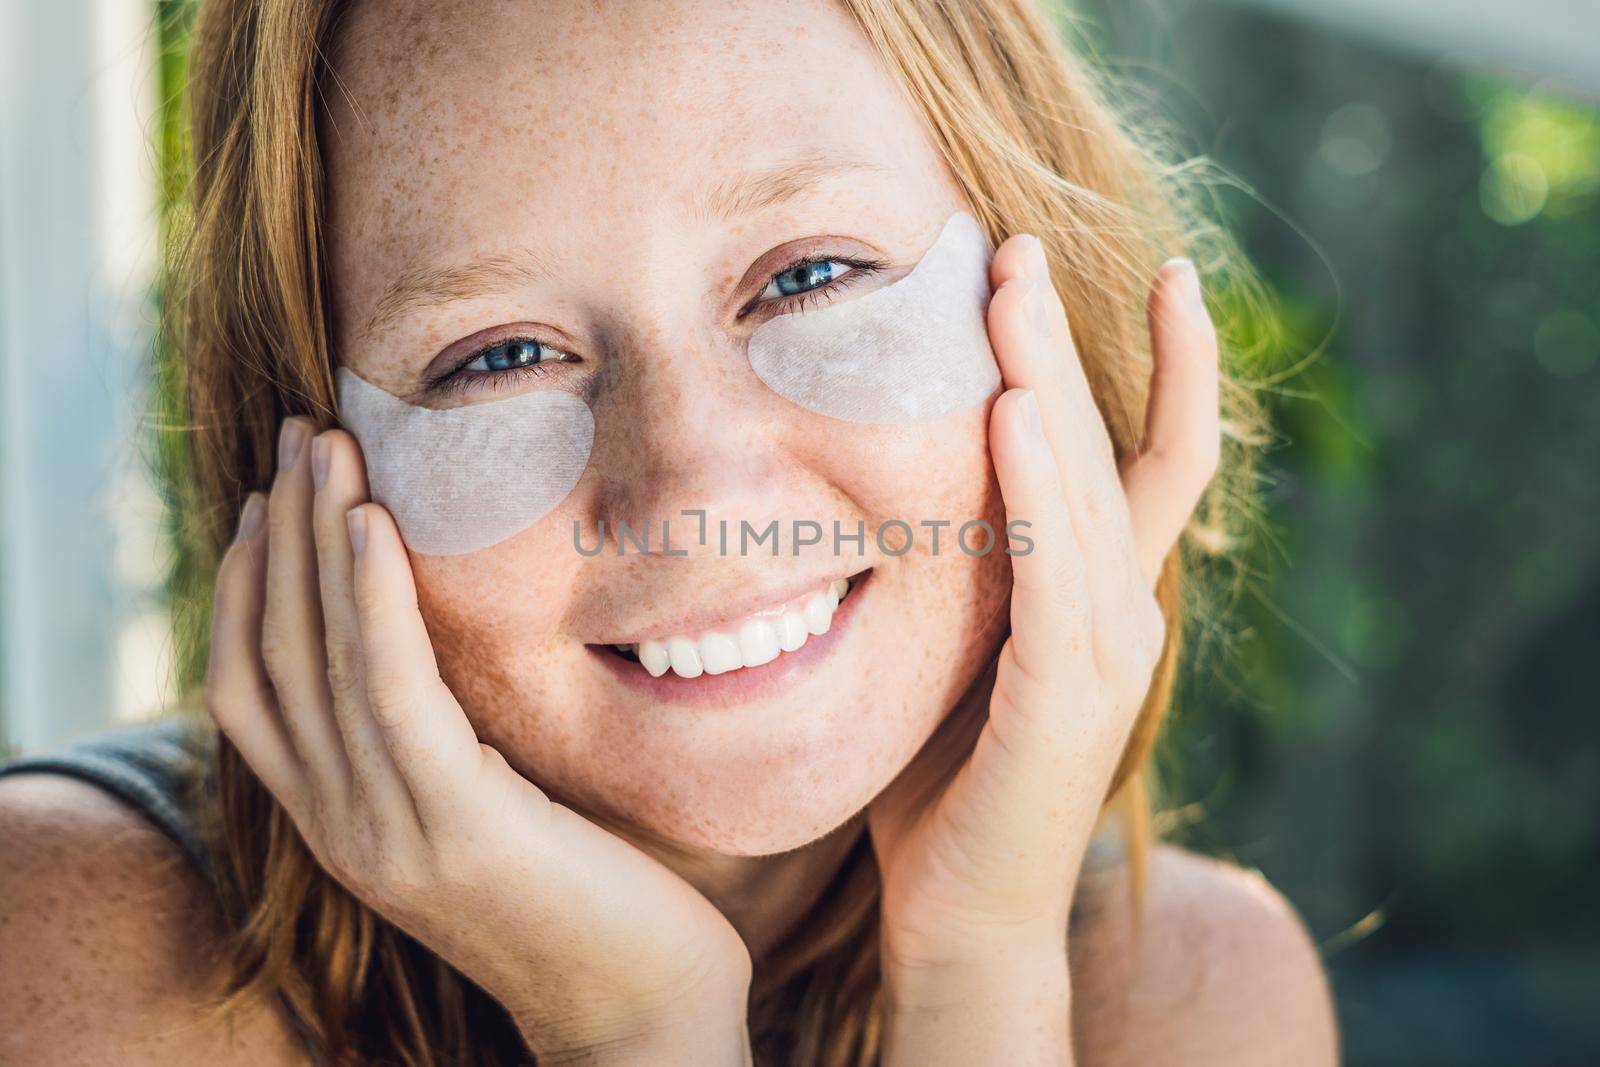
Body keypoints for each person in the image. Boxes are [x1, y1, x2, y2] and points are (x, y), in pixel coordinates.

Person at [0, 0, 1339, 1063]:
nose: (693, 485)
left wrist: (980, 977)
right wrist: (629, 1034)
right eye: (498, 356)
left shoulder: (1198, 1000)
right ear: (295, 460)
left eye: (810, 275)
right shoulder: (61, 959)